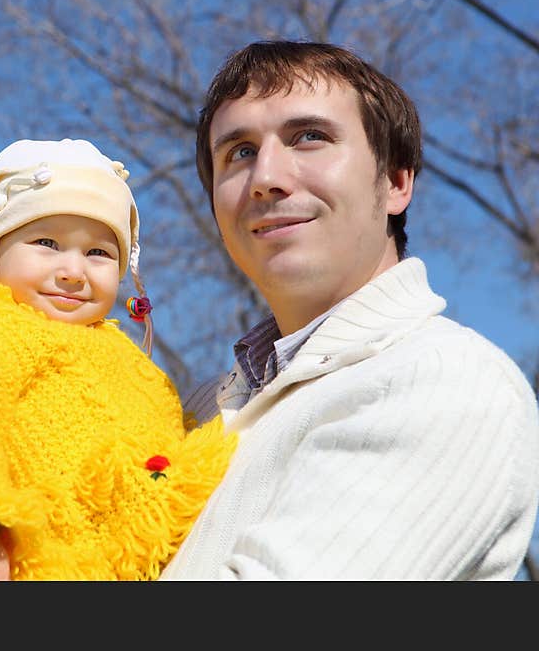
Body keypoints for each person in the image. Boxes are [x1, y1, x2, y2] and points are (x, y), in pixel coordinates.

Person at [159, 40, 539, 580]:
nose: (266, 175)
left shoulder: (445, 379)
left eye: (309, 137)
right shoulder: (191, 411)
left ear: (395, 182)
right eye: (239, 151)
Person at [0, 138, 236, 581]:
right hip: (48, 558)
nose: (73, 271)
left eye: (98, 253)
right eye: (47, 242)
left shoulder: (127, 355)